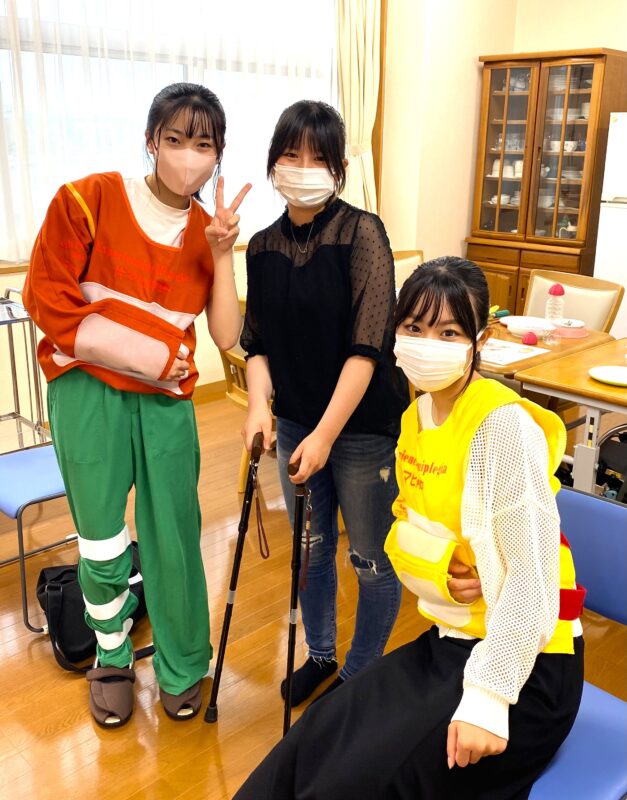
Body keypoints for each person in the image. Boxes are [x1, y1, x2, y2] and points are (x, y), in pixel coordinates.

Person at [234, 256, 584, 799]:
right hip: (452, 642)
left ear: (481, 340)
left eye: (449, 332)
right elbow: (401, 535)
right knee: (314, 738)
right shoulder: (415, 418)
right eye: (414, 328)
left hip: (526, 666)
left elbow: (531, 584)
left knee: (358, 782)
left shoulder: (502, 426)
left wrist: (489, 699)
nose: (426, 344)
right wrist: (441, 567)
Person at [23, 82, 251, 727]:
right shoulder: (87, 200)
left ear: (218, 154)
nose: (187, 156)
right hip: (87, 394)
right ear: (151, 141)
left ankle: (183, 663)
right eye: (175, 139)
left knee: (174, 537)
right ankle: (112, 656)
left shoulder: (208, 232)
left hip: (165, 407)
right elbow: (47, 300)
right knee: (101, 542)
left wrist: (223, 252)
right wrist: (148, 356)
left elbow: (226, 336)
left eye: (202, 144)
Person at [240, 100, 409, 706]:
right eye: (292, 154)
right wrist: (259, 407)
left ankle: (358, 676)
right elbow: (256, 343)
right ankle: (320, 655)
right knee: (310, 552)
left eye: (319, 157)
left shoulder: (362, 233)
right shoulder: (262, 246)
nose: (303, 168)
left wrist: (325, 434)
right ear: (274, 163)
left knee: (369, 556)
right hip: (295, 423)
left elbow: (368, 349)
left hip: (361, 428)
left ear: (338, 167)